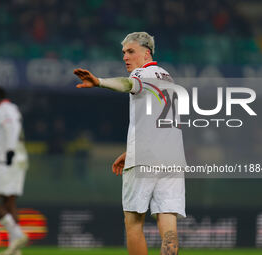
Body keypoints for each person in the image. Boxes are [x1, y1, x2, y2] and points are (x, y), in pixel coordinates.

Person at [74, 32, 187, 255]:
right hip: (172, 160)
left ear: (147, 53)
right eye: (124, 52)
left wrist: (99, 82)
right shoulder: (168, 77)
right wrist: (130, 150)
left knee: (133, 223)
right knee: (168, 222)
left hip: (145, 160)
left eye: (131, 51)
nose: (125, 57)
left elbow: (127, 84)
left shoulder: (142, 73)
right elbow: (158, 123)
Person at [0, 87, 29, 255]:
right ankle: (15, 250)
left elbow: (12, 128)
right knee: (9, 203)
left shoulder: (3, 109)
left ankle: (17, 235)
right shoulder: (13, 108)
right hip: (19, 159)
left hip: (9, 160)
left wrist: (9, 150)